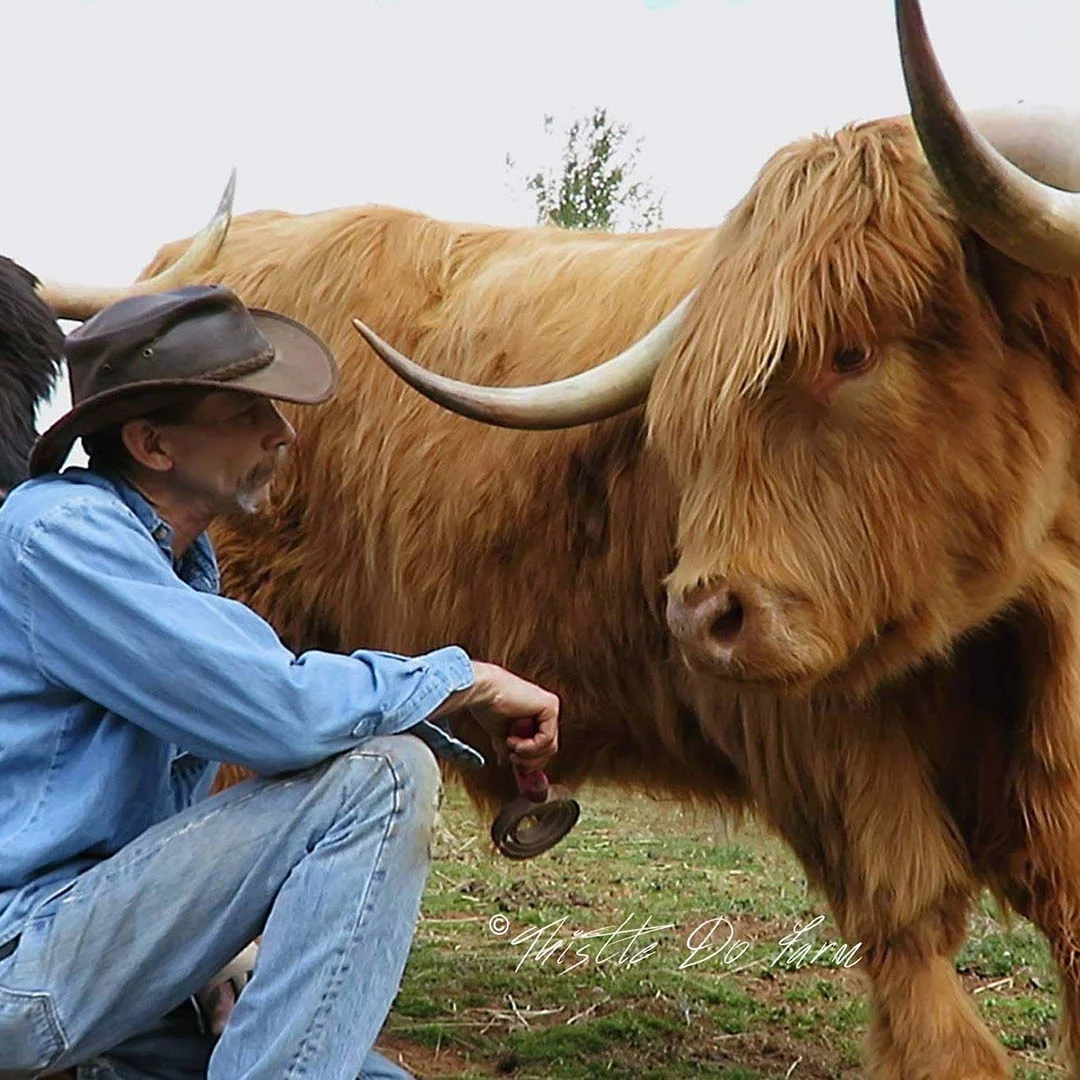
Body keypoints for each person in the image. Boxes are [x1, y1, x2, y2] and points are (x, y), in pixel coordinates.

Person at [0, 285, 560, 1079]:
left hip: (85, 969)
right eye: (247, 415)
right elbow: (282, 713)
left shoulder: (179, 570)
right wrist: (461, 680)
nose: (284, 433)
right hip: (20, 964)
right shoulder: (60, 535)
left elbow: (260, 723)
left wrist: (212, 954)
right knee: (386, 778)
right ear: (154, 444)